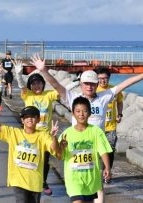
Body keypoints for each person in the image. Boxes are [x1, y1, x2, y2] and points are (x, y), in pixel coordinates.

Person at [30, 53, 143, 203]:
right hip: (77, 145)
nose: (89, 86)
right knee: (79, 181)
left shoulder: (105, 96)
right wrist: (44, 70)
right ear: (81, 84)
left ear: (97, 85)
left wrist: (141, 75)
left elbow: (125, 84)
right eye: (86, 83)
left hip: (96, 144)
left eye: (92, 83)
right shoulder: (73, 98)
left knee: (97, 181)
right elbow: (57, 85)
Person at [0, 105, 60, 203]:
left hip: (35, 182)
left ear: (39, 119)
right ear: (22, 120)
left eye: (33, 116)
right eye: (26, 117)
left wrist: (54, 137)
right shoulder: (14, 133)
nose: (29, 119)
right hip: (18, 181)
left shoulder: (43, 136)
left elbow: (54, 149)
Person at [14, 60, 59, 195]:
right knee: (30, 158)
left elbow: (60, 89)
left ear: (43, 84)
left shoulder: (49, 95)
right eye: (33, 84)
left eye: (39, 83)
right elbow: (22, 86)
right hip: (30, 133)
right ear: (30, 86)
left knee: (45, 160)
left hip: (45, 135)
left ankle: (43, 181)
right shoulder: (28, 95)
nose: (36, 85)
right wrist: (18, 74)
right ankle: (29, 180)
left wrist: (77, 83)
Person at [57, 96, 112, 203]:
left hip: (91, 178)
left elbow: (103, 151)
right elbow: (59, 156)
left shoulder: (96, 131)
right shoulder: (66, 133)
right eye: (78, 111)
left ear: (90, 113)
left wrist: (107, 168)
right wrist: (60, 147)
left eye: (84, 111)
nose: (81, 114)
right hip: (73, 179)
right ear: (73, 113)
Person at [96, 68, 123, 174]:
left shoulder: (114, 90)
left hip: (110, 127)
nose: (103, 81)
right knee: (98, 151)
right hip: (97, 127)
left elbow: (120, 102)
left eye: (105, 78)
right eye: (100, 78)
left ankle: (107, 171)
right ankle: (98, 172)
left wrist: (119, 114)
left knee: (110, 150)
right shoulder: (93, 90)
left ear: (109, 78)